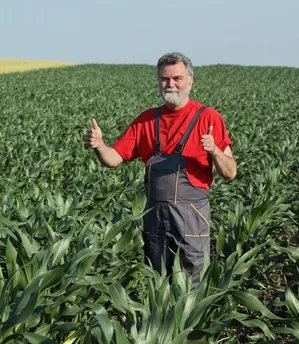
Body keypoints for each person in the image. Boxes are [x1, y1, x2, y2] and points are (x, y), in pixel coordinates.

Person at [84, 52, 236, 287]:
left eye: (177, 78)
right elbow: (113, 159)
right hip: (154, 217)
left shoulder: (208, 117)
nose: (171, 84)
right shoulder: (147, 120)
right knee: (157, 280)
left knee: (191, 281)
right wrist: (99, 146)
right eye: (165, 79)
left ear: (190, 82)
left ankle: (189, 323)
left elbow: (230, 172)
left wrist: (215, 150)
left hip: (192, 216)